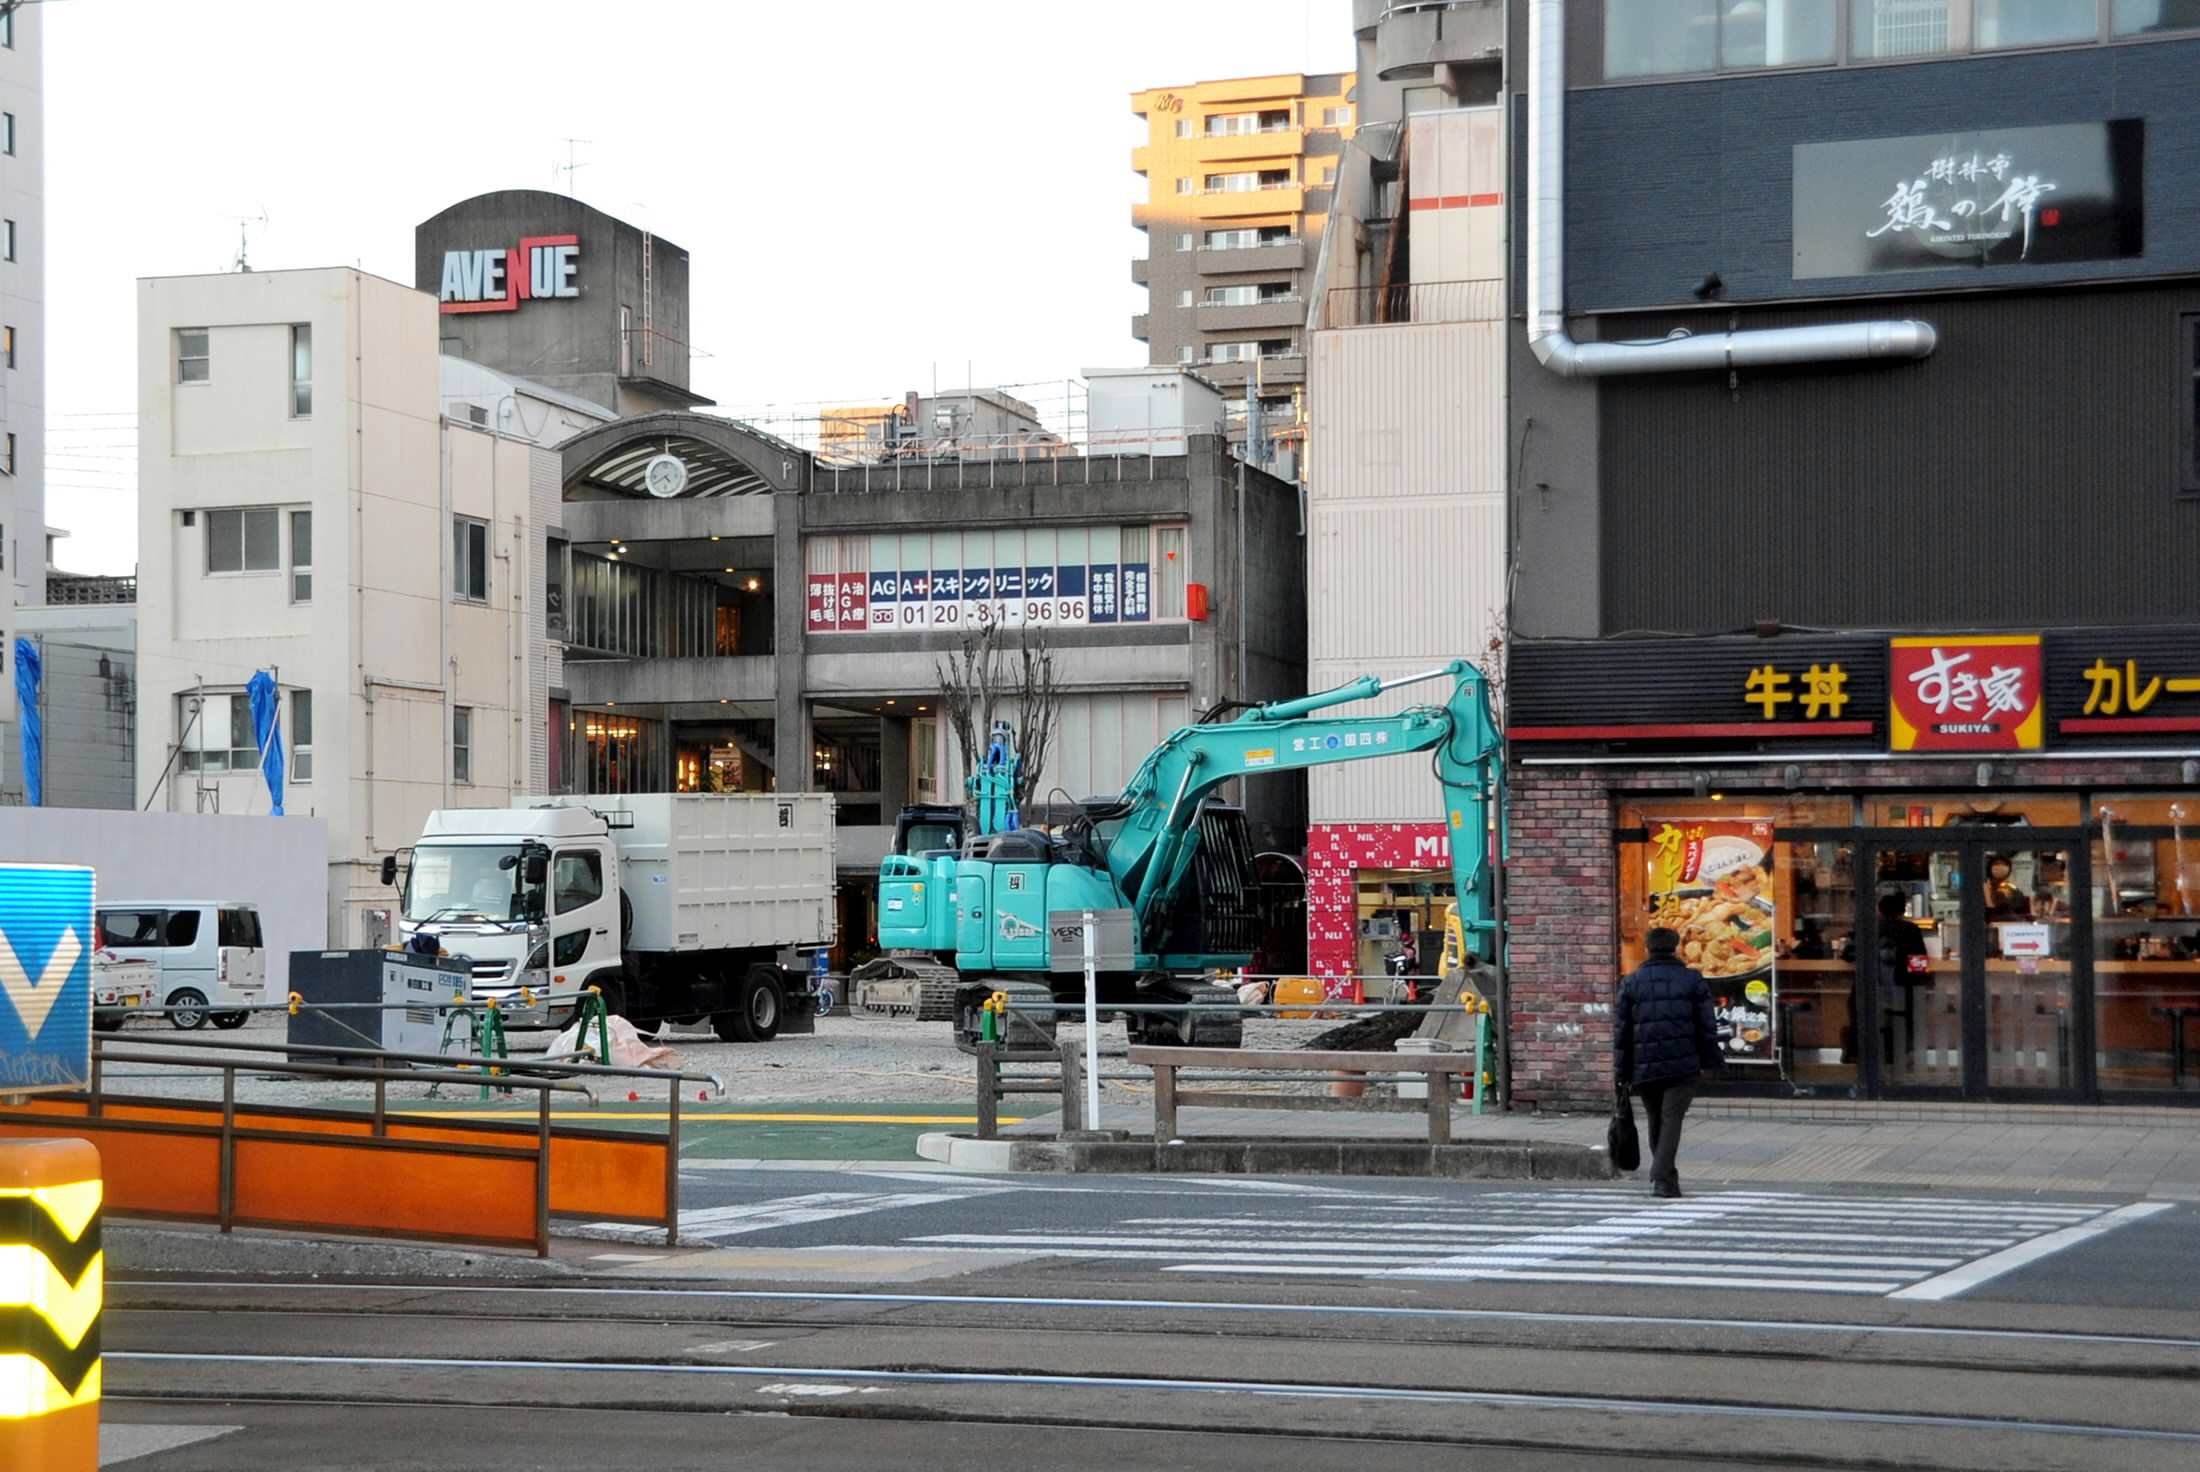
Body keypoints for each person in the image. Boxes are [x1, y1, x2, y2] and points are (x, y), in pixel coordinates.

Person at [1614, 926, 1724, 1199]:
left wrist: (1622, 1072)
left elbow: (1622, 1032)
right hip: (1683, 1064)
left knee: (1656, 1119)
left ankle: (1667, 1178)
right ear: (1676, 947)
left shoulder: (1632, 982)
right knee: (1672, 1119)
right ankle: (1661, 1177)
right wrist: (1712, 1060)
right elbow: (1706, 1026)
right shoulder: (1691, 980)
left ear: (1648, 949)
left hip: (1645, 1064)